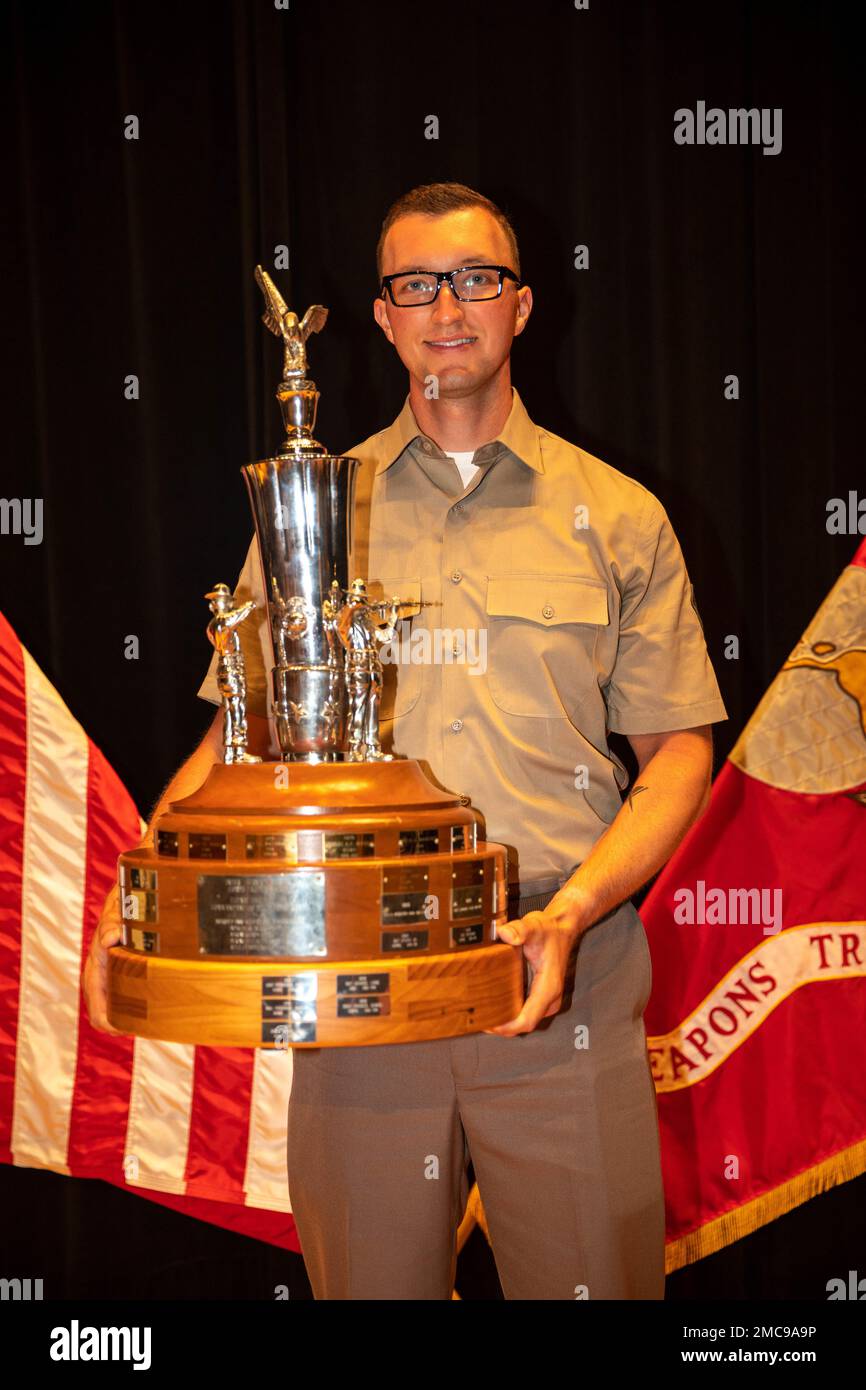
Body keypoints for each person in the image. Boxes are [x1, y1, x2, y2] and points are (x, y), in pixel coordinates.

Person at [85, 181, 728, 1300]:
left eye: (477, 278)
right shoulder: (317, 513)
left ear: (521, 306)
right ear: (381, 316)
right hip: (359, 977)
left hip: (561, 976)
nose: (448, 305)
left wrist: (571, 914)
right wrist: (128, 888)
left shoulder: (617, 513)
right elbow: (241, 737)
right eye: (416, 282)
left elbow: (678, 752)